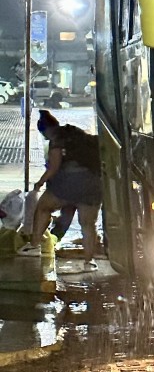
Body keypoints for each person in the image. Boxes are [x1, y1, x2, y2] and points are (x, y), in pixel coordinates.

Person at [17, 110, 103, 271]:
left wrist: (39, 183)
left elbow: (54, 167)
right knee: (88, 224)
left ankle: (35, 245)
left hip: (69, 183)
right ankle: (89, 262)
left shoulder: (57, 139)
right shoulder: (77, 134)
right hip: (93, 184)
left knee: (43, 207)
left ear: (46, 130)